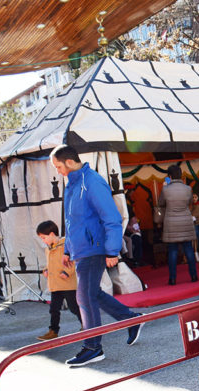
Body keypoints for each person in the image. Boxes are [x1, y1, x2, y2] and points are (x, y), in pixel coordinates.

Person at [50, 145, 144, 367]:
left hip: (95, 249)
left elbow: (111, 217)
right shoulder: (73, 184)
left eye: (57, 166)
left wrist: (112, 250)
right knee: (93, 293)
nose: (57, 171)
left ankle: (93, 348)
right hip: (82, 249)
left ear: (70, 162)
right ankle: (131, 320)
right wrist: (67, 250)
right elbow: (72, 222)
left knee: (84, 297)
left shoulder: (92, 181)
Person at [35, 220, 82, 341]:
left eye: (43, 237)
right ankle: (53, 331)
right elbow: (49, 263)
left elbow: (75, 259)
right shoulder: (48, 249)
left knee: (74, 307)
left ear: (51, 234)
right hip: (55, 285)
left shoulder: (65, 244)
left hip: (67, 284)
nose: (43, 240)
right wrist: (45, 269)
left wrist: (68, 272)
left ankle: (86, 324)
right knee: (54, 309)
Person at [159, 165, 198, 285]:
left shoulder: (166, 189)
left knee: (172, 251)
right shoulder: (187, 189)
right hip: (186, 221)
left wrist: (164, 188)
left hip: (171, 222)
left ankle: (172, 279)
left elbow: (160, 203)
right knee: (188, 249)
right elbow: (191, 202)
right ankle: (194, 276)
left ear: (169, 176)